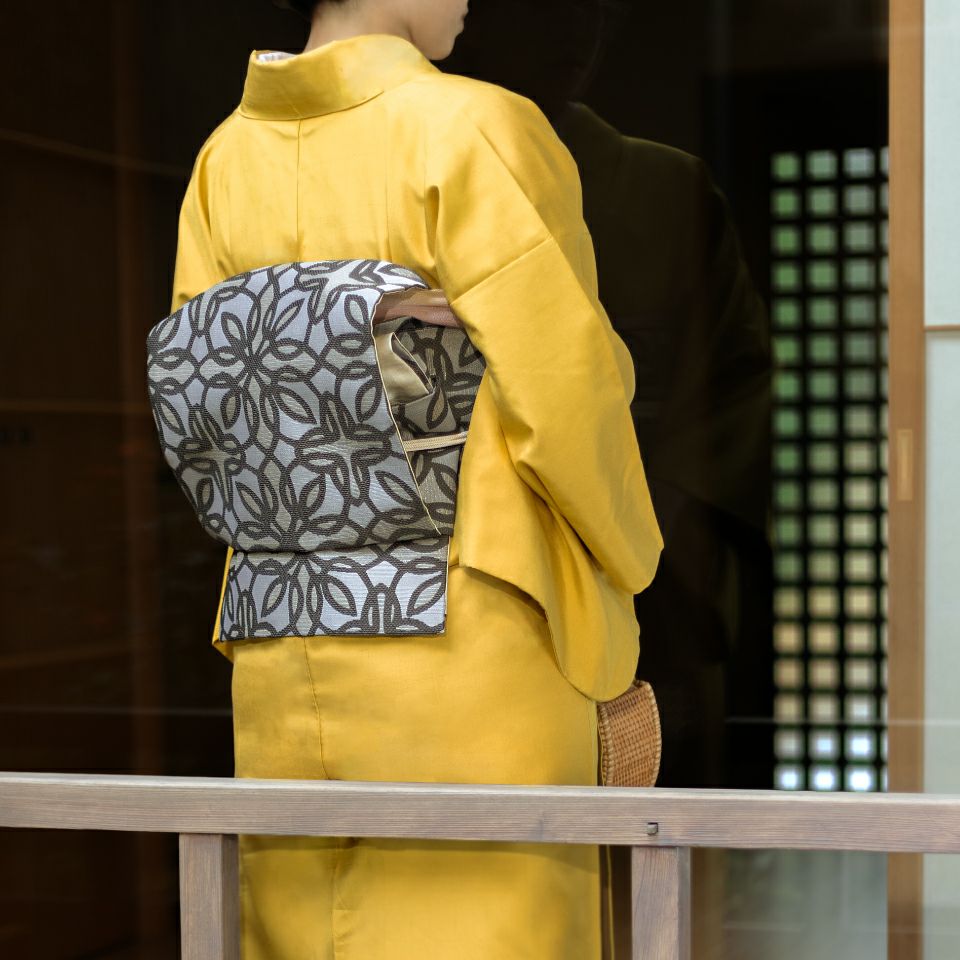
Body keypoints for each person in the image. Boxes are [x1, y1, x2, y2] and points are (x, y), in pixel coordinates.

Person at [168, 0, 662, 957]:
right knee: (482, 923)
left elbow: (210, 409)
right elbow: (567, 389)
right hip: (472, 626)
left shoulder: (223, 163)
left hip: (287, 625)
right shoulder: (473, 125)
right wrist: (628, 560)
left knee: (305, 929)